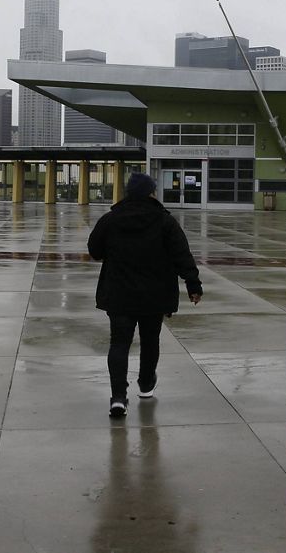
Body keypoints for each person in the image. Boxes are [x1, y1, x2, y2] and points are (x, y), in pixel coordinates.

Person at [87, 172, 203, 418]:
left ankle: (118, 397)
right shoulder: (164, 221)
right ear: (151, 192)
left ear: (128, 192)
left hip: (119, 294)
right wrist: (193, 285)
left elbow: (94, 250)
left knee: (119, 343)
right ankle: (146, 383)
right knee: (150, 341)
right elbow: (182, 254)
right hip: (155, 296)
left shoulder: (111, 219)